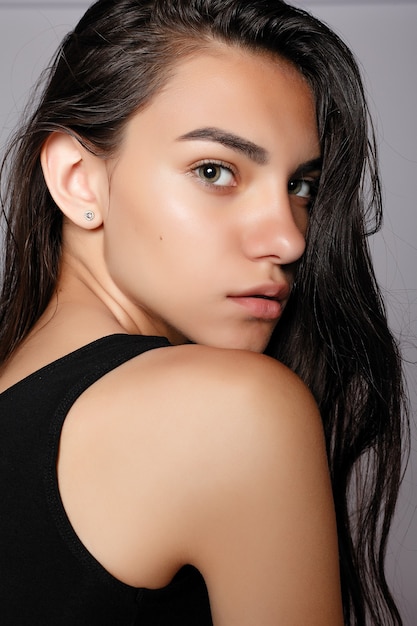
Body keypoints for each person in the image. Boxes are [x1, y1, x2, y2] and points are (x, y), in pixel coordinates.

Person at [0, 0, 408, 624]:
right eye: (215, 171)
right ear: (80, 178)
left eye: (301, 186)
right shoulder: (234, 408)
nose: (290, 239)